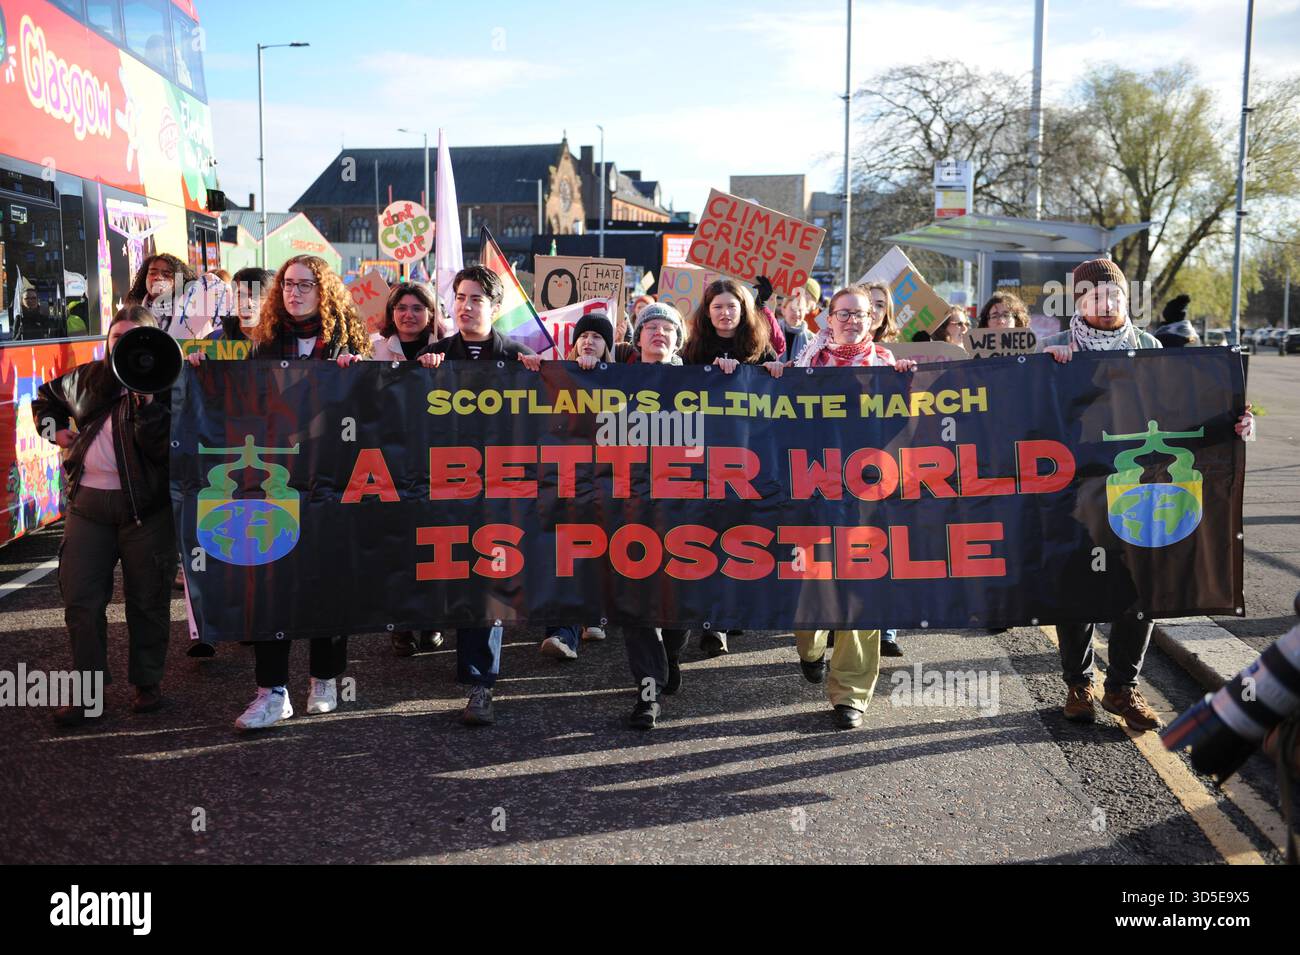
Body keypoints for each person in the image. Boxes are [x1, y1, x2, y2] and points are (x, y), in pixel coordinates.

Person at [1040, 259, 1254, 731]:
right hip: (1077, 490)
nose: (1107, 302)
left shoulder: (1151, 346)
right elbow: (1030, 412)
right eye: (1096, 295)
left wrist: (1237, 419)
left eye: (1114, 294)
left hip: (1140, 482)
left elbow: (1188, 406)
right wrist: (1048, 373)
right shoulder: (1056, 348)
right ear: (1079, 301)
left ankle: (1121, 686)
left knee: (1143, 583)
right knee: (1079, 585)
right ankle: (1078, 684)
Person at [190, 255, 370, 729]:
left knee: (327, 582)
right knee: (268, 582)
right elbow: (236, 398)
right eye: (288, 284)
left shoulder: (348, 346)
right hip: (274, 481)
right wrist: (201, 371)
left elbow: (375, 409)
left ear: (323, 290)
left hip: (332, 482)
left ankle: (325, 679)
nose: (294, 292)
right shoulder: (262, 346)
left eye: (305, 284)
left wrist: (360, 375)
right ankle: (272, 691)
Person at [32, 306, 176, 726]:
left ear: (152, 342)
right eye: (117, 339)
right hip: (87, 509)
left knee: (148, 602)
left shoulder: (169, 381)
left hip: (146, 513)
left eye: (134, 338)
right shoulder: (85, 377)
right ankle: (87, 691)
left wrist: (148, 403)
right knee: (80, 601)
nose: (124, 346)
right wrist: (52, 430)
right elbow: (45, 399)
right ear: (107, 343)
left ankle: (147, 683)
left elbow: (165, 451)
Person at [780, 285, 915, 728]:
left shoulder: (888, 370)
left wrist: (909, 385)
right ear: (827, 318)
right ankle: (812, 648)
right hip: (811, 498)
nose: (853, 321)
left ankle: (851, 695)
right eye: (844, 314)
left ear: (873, 320)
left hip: (865, 502)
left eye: (862, 314)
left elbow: (905, 433)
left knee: (860, 592)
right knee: (809, 589)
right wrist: (769, 377)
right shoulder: (803, 368)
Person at [417, 265, 536, 726]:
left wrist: (543, 375)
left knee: (487, 579)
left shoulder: (521, 357)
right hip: (443, 491)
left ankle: (480, 684)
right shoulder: (434, 356)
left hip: (500, 492)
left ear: (496, 307)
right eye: (460, 298)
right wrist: (416, 377)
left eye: (476, 299)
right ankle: (424, 634)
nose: (465, 307)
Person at [681, 279, 781, 657]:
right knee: (708, 537)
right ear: (707, 312)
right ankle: (714, 620)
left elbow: (774, 392)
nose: (725, 313)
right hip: (704, 458)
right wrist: (711, 372)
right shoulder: (693, 350)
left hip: (748, 457)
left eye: (731, 306)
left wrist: (771, 372)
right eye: (717, 307)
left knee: (738, 536)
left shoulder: (759, 347)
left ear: (744, 310)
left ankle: (727, 613)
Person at [518, 311, 617, 660]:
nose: (588, 341)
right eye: (583, 336)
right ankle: (564, 633)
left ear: (608, 347)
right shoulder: (555, 374)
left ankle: (590, 615)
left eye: (598, 337)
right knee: (565, 555)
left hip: (607, 482)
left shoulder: (623, 378)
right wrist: (531, 369)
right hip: (563, 480)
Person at [126, 253, 206, 339]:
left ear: (177, 282)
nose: (158, 277)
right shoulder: (131, 310)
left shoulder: (191, 311)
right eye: (152, 273)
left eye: (166, 275)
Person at [207, 267, 272, 342]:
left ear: (269, 300)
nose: (248, 304)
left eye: (255, 296)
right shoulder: (214, 340)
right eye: (241, 295)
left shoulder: (283, 340)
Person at [778, 278, 820, 363]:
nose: (797, 314)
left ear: (806, 311)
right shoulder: (772, 334)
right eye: (793, 309)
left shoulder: (813, 339)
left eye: (800, 310)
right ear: (783, 309)